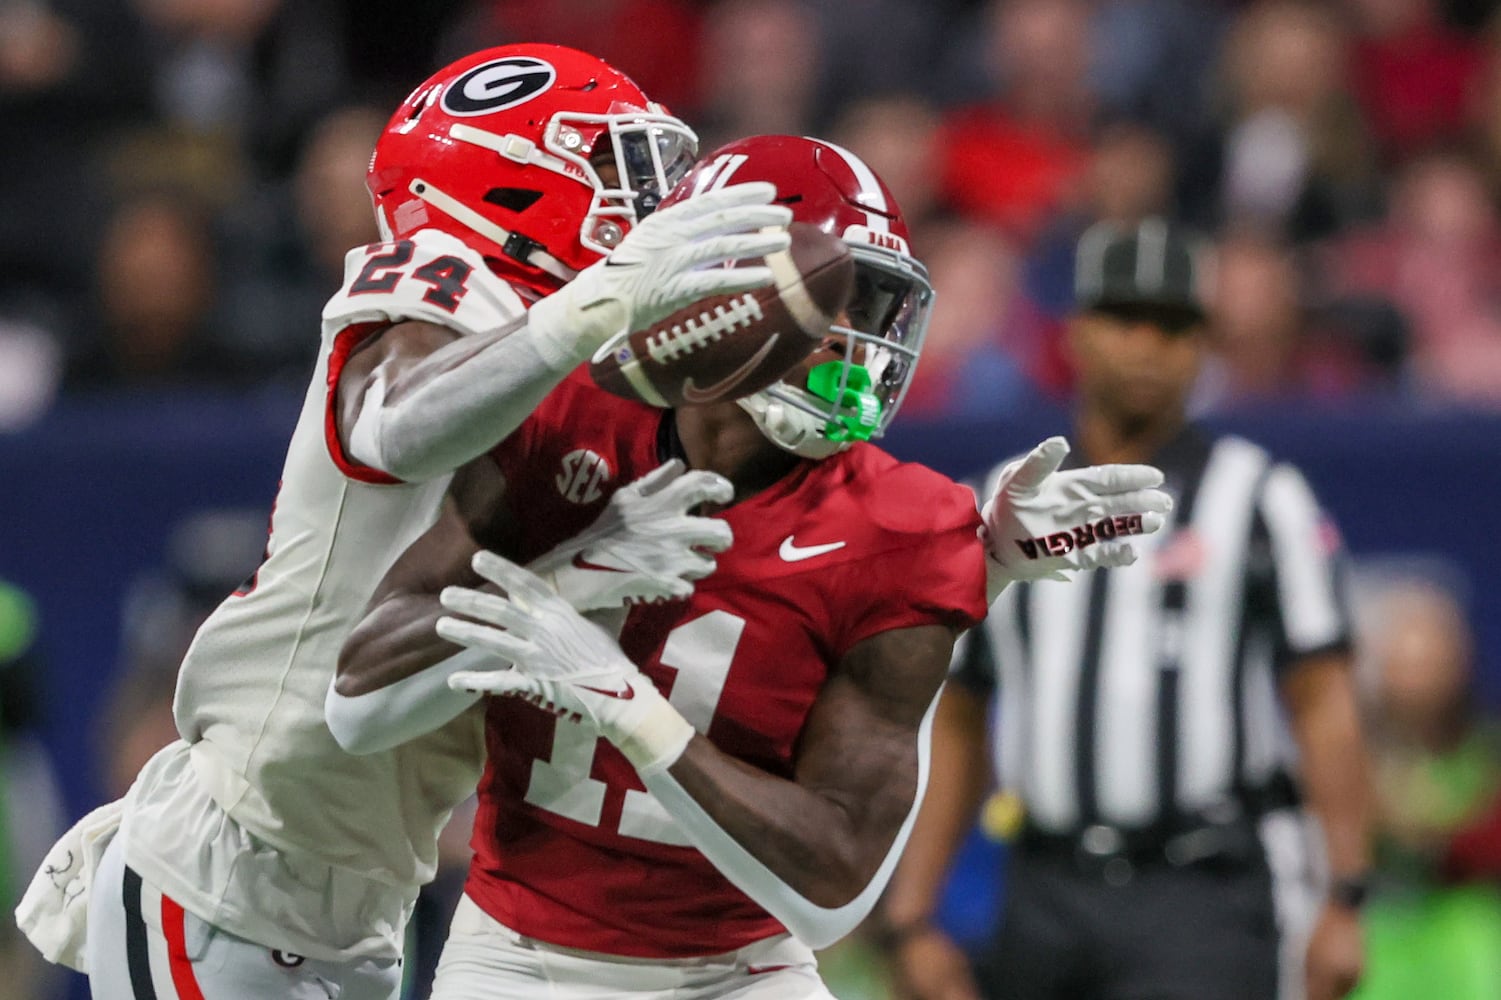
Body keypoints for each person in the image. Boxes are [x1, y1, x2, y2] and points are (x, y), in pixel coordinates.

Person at [17, 43, 790, 999]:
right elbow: (395, 423)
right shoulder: (433, 278)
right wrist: (593, 304)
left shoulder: (573, 363)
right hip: (234, 864)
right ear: (511, 182)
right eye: (608, 164)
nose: (645, 202)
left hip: (368, 895)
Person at [331, 134, 1173, 999]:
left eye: (872, 311)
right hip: (520, 953)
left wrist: (627, 705)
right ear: (721, 297)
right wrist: (567, 581)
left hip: (741, 970)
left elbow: (830, 892)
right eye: (827, 306)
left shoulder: (909, 525)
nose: (855, 350)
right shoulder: (569, 418)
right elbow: (354, 705)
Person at [882, 217, 1372, 1000]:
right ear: (1074, 332)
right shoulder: (1002, 503)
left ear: (1202, 345)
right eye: (1123, 318)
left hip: (1200, 888)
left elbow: (1323, 702)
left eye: (1172, 326)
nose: (1146, 345)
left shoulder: (1259, 497)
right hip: (1042, 881)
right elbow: (961, 713)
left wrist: (1345, 895)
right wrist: (911, 914)